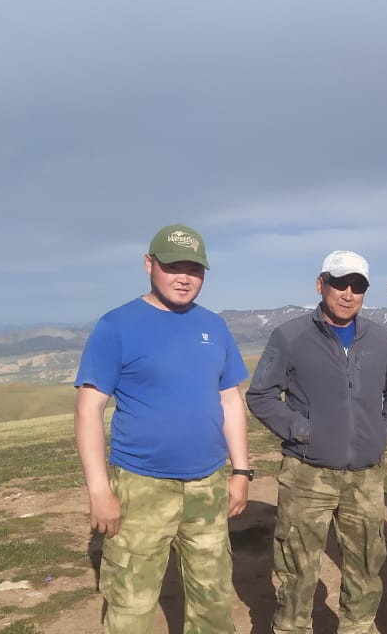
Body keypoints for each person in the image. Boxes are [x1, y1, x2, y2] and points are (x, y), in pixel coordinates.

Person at [74, 223, 252, 634]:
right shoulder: (116, 326)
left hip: (207, 485)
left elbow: (229, 398)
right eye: (173, 267)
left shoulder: (215, 326)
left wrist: (241, 471)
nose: (185, 277)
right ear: (148, 264)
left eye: (195, 268)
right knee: (130, 606)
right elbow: (88, 409)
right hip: (140, 487)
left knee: (213, 602)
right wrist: (99, 491)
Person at [246, 250, 387, 634]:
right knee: (297, 570)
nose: (348, 293)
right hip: (307, 474)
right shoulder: (290, 336)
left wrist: (384, 432)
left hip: (365, 477)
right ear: (321, 285)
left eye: (358, 286)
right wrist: (301, 430)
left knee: (365, 569)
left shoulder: (378, 337)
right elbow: (261, 395)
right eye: (340, 284)